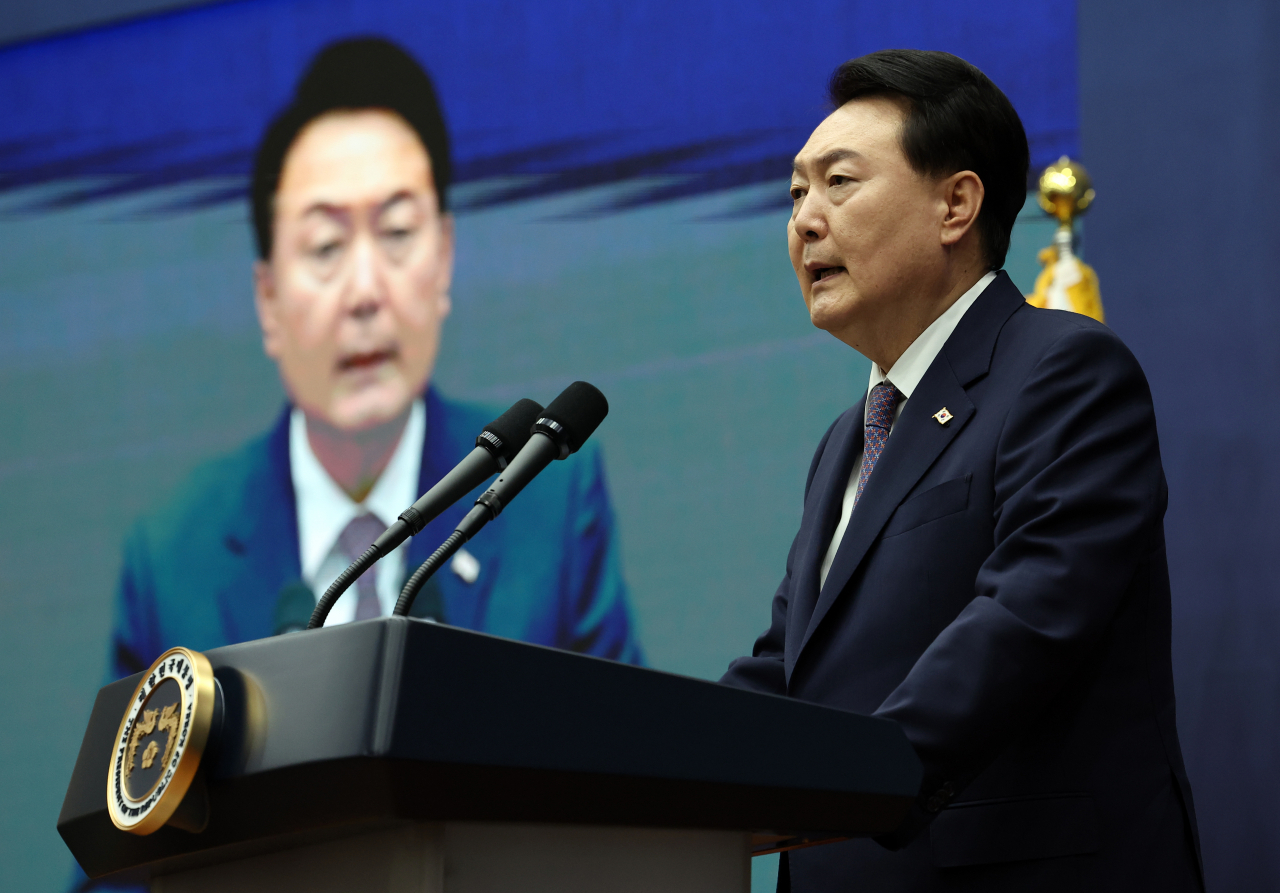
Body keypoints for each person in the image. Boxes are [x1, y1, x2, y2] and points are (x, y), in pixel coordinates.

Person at [720, 50, 1202, 892]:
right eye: (795, 193)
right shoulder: (846, 438)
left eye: (838, 182)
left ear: (956, 204)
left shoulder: (1065, 371)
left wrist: (854, 783)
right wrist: (646, 760)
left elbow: (1027, 616)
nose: (803, 220)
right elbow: (788, 670)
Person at [108, 37, 643, 683]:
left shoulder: (546, 505)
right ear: (269, 299)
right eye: (326, 245)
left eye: (396, 233)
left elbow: (619, 761)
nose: (365, 291)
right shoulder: (170, 558)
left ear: (443, 259)